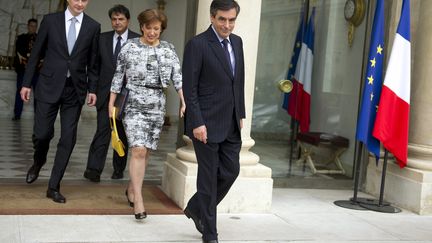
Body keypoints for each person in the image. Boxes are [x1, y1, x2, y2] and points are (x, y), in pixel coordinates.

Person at [109, 9, 185, 220]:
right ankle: (139, 199)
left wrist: (183, 100)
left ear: (161, 29)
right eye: (149, 27)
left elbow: (177, 77)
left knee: (146, 151)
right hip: (133, 103)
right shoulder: (129, 47)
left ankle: (132, 188)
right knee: (138, 150)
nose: (152, 32)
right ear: (142, 26)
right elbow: (118, 76)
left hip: (156, 105)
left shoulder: (169, 49)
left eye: (156, 28)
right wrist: (111, 103)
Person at [20, 0, 100, 204]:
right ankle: (39, 162)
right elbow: (36, 52)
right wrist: (26, 83)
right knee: (42, 134)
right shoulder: (50, 21)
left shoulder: (93, 26)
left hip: (75, 89)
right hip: (48, 85)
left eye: (84, 0)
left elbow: (93, 61)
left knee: (68, 138)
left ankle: (53, 186)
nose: (80, 3)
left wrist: (92, 89)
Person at [182, 0, 245, 242]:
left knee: (231, 171)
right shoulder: (197, 44)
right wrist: (197, 122)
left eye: (231, 20)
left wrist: (240, 114)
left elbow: (237, 81)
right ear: (212, 17)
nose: (227, 25)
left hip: (230, 122)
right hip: (204, 124)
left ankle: (196, 208)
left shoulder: (237, 42)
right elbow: (190, 87)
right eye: (222, 19)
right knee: (208, 179)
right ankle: (210, 232)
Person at [84, 4, 140, 183]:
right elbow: (93, 67)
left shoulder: (137, 40)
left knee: (121, 133)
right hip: (105, 94)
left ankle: (118, 169)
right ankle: (93, 170)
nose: (117, 22)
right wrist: (92, 90)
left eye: (121, 19)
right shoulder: (101, 39)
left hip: (127, 96)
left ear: (128, 20)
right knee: (102, 131)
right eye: (114, 19)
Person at [12, 18, 39, 121]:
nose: (33, 28)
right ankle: (17, 114)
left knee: (38, 94)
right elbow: (19, 53)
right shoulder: (21, 38)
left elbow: (44, 54)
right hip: (23, 70)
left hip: (36, 71)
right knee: (20, 92)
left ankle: (38, 116)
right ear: (28, 26)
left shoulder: (41, 39)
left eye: (35, 26)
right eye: (31, 25)